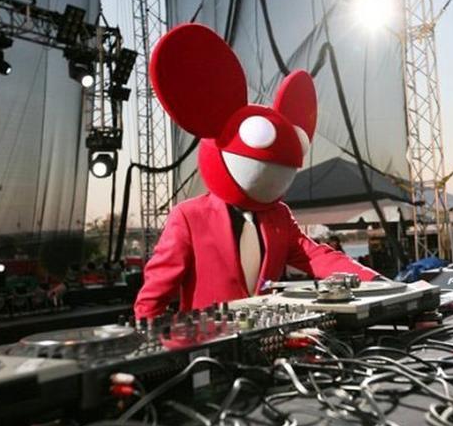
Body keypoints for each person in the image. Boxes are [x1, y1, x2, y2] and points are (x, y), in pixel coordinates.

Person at [133, 24, 379, 318]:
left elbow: (315, 255)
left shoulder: (279, 216)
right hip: (208, 340)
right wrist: (147, 335)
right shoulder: (188, 217)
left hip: (265, 336)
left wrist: (374, 281)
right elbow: (156, 290)